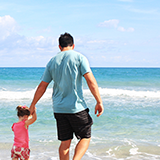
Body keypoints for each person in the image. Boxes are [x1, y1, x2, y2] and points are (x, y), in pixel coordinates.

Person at [29, 32, 104, 160]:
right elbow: (91, 81)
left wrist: (33, 104)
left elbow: (42, 86)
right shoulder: (80, 57)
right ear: (73, 45)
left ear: (59, 47)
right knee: (85, 137)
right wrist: (99, 101)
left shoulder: (52, 61)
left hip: (59, 109)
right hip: (76, 107)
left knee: (65, 142)